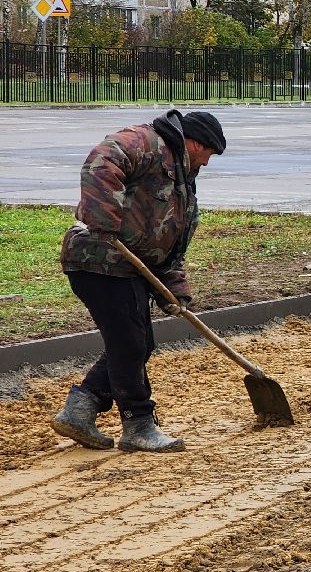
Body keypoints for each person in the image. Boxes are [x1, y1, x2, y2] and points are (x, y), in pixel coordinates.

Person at [51, 109, 227, 453]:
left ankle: (80, 409)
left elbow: (168, 241)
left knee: (136, 343)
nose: (207, 163)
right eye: (208, 154)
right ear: (194, 142)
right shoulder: (147, 142)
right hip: (99, 258)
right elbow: (102, 161)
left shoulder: (182, 179)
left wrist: (176, 290)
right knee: (131, 344)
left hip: (126, 268)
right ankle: (138, 425)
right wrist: (103, 220)